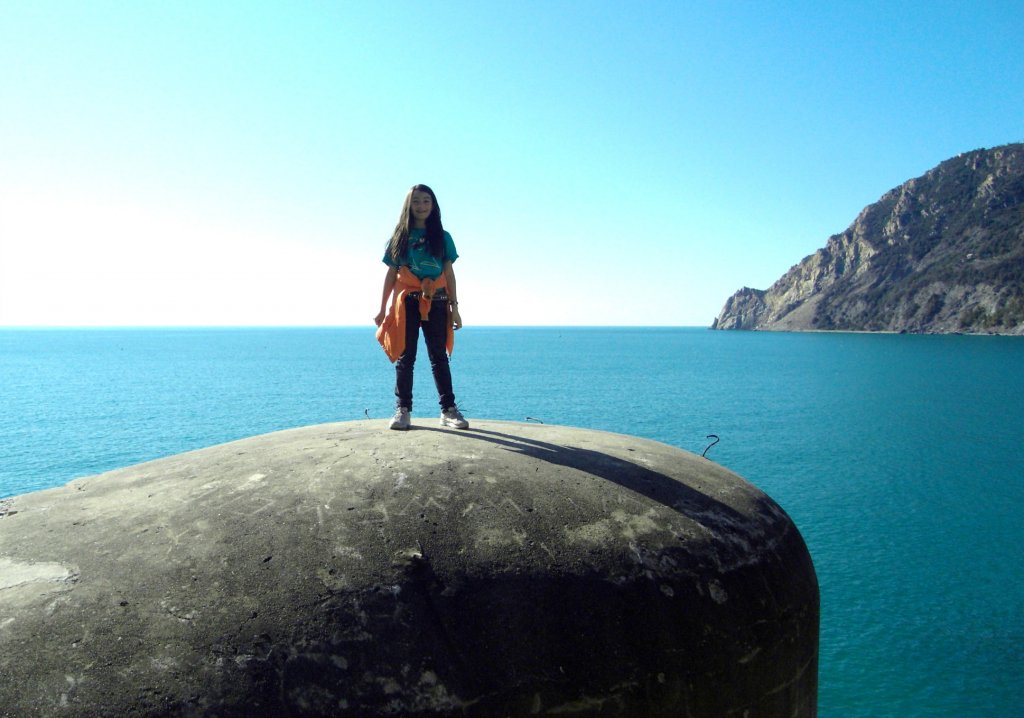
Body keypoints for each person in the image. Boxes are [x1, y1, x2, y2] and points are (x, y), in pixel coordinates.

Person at [374, 184, 468, 431]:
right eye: (416, 201)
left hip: (437, 301)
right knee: (406, 357)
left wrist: (455, 307)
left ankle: (448, 410)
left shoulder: (443, 236)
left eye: (426, 201)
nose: (421, 206)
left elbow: (448, 273)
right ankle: (402, 410)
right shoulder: (400, 237)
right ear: (409, 205)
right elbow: (391, 275)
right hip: (407, 303)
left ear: (433, 205)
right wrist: (382, 308)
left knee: (439, 357)